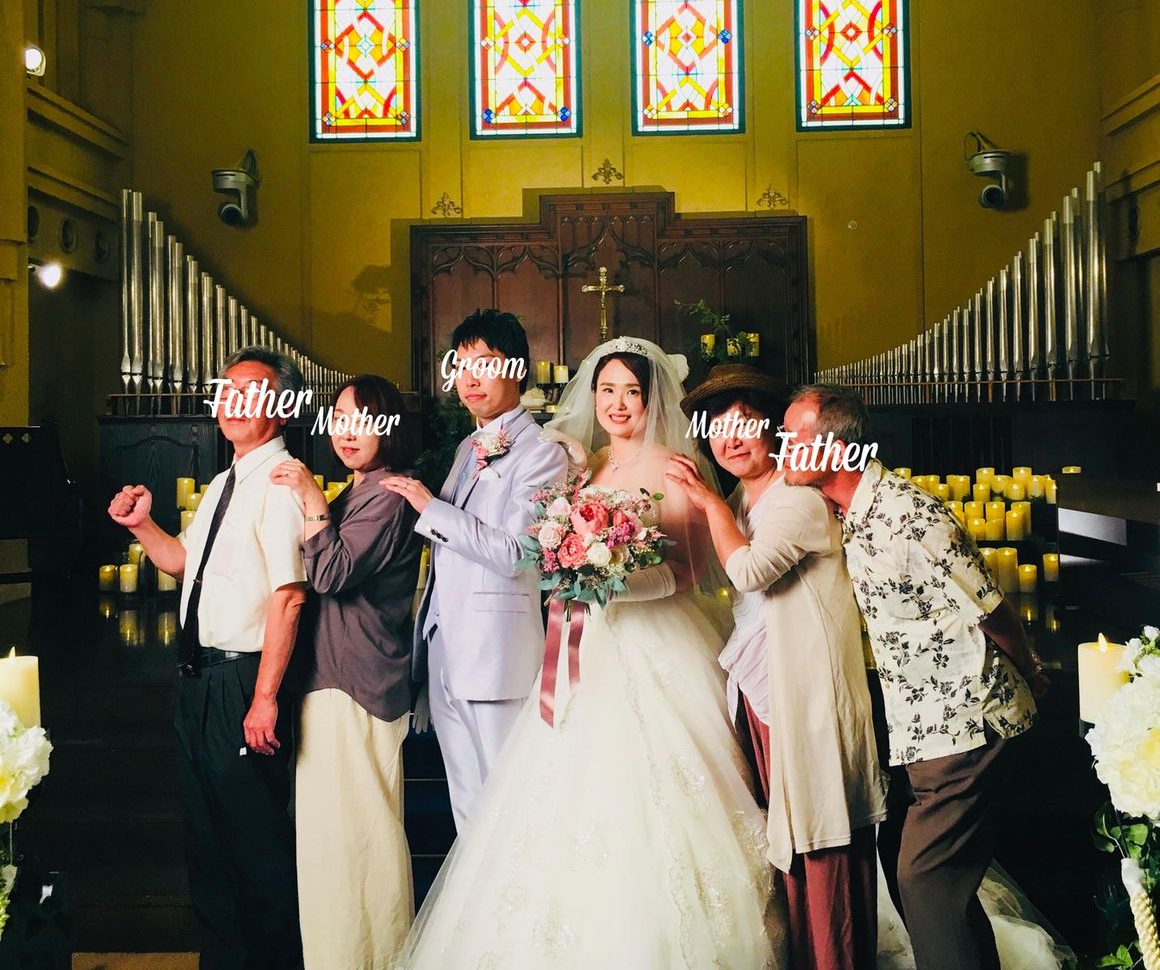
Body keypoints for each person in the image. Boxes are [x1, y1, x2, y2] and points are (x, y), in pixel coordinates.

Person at [397, 338, 782, 969]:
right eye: (607, 390)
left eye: (632, 391)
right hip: (583, 642)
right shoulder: (586, 465)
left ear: (653, 399)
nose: (617, 403)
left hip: (653, 642)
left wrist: (611, 581)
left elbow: (686, 572)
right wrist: (576, 571)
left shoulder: (672, 468)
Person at [782, 383, 1054, 970]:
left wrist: (1030, 670)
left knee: (925, 878)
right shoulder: (844, 511)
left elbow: (990, 607)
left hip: (968, 722)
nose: (784, 450)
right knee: (912, 866)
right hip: (919, 727)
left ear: (835, 449)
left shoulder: (909, 515)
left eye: (793, 440)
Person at [667, 364, 887, 970]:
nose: (730, 440)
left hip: (806, 700)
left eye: (744, 424)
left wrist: (706, 500)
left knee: (822, 842)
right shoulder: (745, 499)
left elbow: (748, 572)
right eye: (717, 428)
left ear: (775, 432)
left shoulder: (797, 499)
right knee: (784, 841)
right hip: (764, 693)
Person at [108, 346, 306, 970]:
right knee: (208, 846)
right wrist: (143, 526)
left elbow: (290, 595)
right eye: (227, 390)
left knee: (256, 849)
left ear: (281, 407)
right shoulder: (225, 483)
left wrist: (264, 698)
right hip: (198, 680)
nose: (233, 402)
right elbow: (182, 564)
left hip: (243, 683)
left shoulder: (281, 482)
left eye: (251, 391)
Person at [382, 309, 568, 830]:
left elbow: (517, 553)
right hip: (445, 647)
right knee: (467, 810)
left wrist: (430, 508)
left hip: (496, 652)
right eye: (461, 365)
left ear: (517, 370)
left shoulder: (542, 452)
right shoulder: (469, 445)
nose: (470, 378)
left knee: (509, 806)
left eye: (485, 364)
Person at [269, 375, 422, 970]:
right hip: (331, 681)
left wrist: (310, 496)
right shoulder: (358, 492)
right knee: (332, 843)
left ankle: (375, 960)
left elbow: (330, 574)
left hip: (355, 684)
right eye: (339, 418)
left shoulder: (389, 494)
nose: (348, 431)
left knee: (360, 841)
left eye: (364, 419)